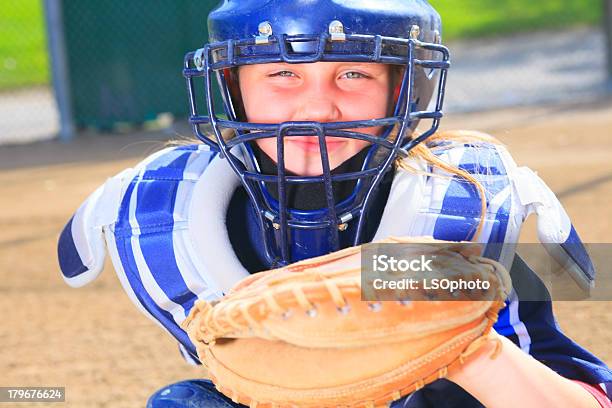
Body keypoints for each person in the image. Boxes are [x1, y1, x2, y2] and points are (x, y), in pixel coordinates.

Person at [57, 0, 612, 406]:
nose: (318, 107)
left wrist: (470, 347)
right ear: (232, 86)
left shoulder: (468, 207)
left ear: (403, 86)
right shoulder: (170, 214)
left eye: (353, 73)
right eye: (282, 74)